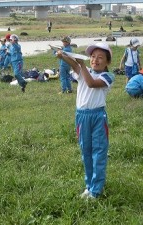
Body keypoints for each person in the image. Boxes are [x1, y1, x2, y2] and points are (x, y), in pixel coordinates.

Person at [56, 42, 115, 199]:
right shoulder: (84, 70)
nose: (95, 60)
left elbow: (91, 83)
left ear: (107, 62)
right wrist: (63, 55)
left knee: (99, 152)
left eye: (100, 57)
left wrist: (81, 65)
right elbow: (75, 64)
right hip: (81, 117)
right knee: (86, 152)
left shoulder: (107, 76)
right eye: (93, 56)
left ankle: (96, 190)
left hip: (97, 117)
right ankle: (89, 186)